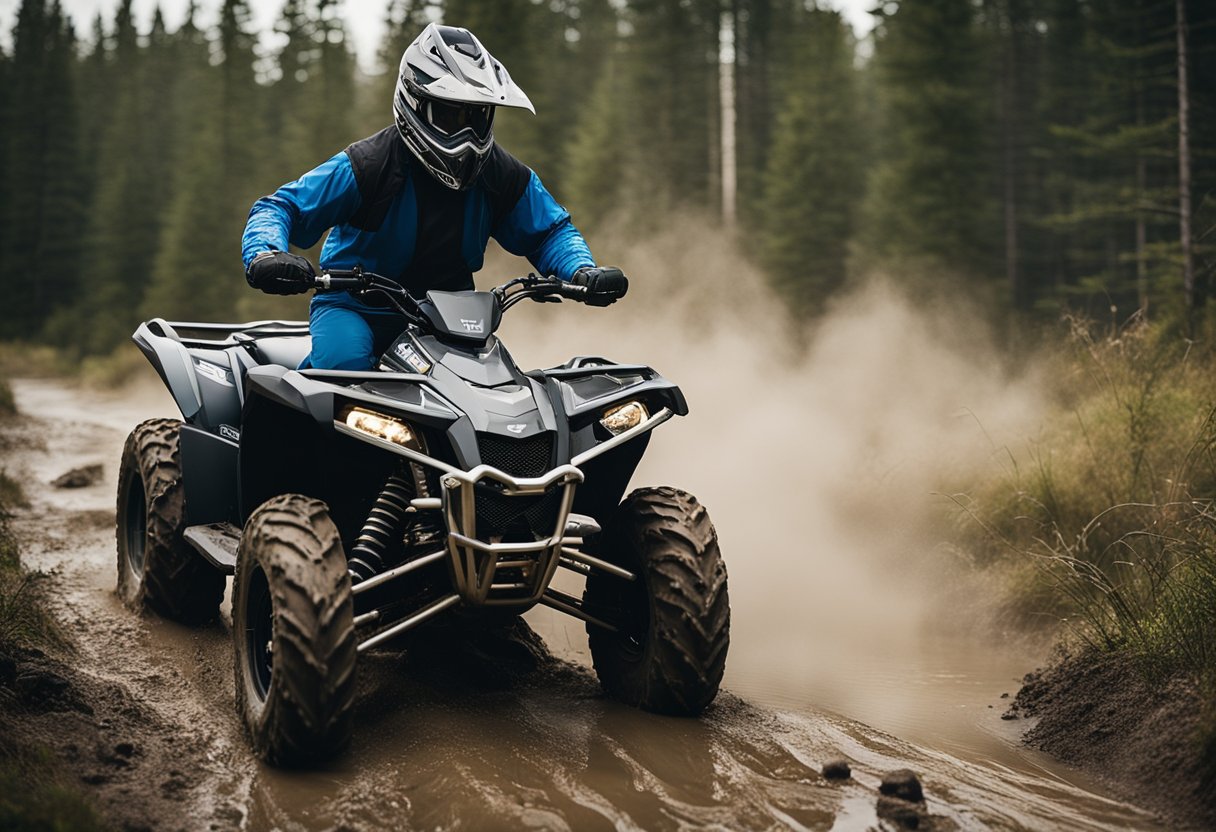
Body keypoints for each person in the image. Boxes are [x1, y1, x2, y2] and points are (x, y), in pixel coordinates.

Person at [241, 22, 627, 370]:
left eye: (477, 118)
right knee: (345, 364)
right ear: (414, 104)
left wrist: (581, 269)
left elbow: (549, 231)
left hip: (450, 318)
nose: (467, 136)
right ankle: (287, 444)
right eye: (451, 117)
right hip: (355, 307)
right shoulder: (369, 165)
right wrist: (266, 254)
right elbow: (281, 206)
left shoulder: (500, 173)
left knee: (493, 390)